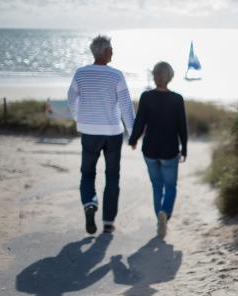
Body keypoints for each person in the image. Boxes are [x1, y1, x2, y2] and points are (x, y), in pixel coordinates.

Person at [67, 35, 135, 234]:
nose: (112, 52)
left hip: (89, 133)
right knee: (112, 176)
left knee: (87, 173)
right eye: (111, 49)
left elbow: (71, 99)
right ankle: (108, 222)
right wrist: (132, 133)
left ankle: (90, 203)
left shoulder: (80, 73)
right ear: (104, 52)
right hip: (113, 133)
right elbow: (126, 107)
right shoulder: (116, 75)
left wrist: (80, 117)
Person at [128, 61, 187, 239]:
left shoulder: (146, 97)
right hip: (170, 151)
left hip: (150, 150)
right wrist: (184, 149)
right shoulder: (177, 99)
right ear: (170, 77)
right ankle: (165, 213)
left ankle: (159, 218)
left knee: (156, 186)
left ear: (154, 76)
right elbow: (182, 127)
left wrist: (133, 140)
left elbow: (139, 122)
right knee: (170, 186)